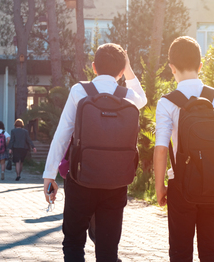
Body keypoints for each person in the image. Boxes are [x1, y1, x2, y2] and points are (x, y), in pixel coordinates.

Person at [43, 43, 147, 262]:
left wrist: (49, 174)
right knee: (108, 250)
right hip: (116, 182)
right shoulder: (128, 96)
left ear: (94, 67)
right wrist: (127, 69)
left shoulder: (80, 91)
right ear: (121, 71)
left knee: (73, 242)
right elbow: (143, 98)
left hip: (81, 179)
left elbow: (63, 133)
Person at [153, 36, 214, 262]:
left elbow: (161, 149)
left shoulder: (167, 102)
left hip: (182, 186)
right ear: (200, 65)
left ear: (171, 67)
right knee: (211, 253)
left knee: (180, 254)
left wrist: (160, 187)